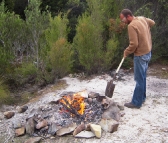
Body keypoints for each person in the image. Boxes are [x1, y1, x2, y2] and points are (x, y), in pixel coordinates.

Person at [119, 9, 155, 108]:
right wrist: (144, 30)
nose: (123, 22)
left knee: (139, 79)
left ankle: (136, 102)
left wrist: (126, 52)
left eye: (123, 19)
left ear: (128, 16)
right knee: (143, 77)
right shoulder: (142, 19)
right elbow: (152, 22)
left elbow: (134, 44)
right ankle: (142, 98)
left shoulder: (131, 26)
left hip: (140, 55)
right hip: (148, 52)